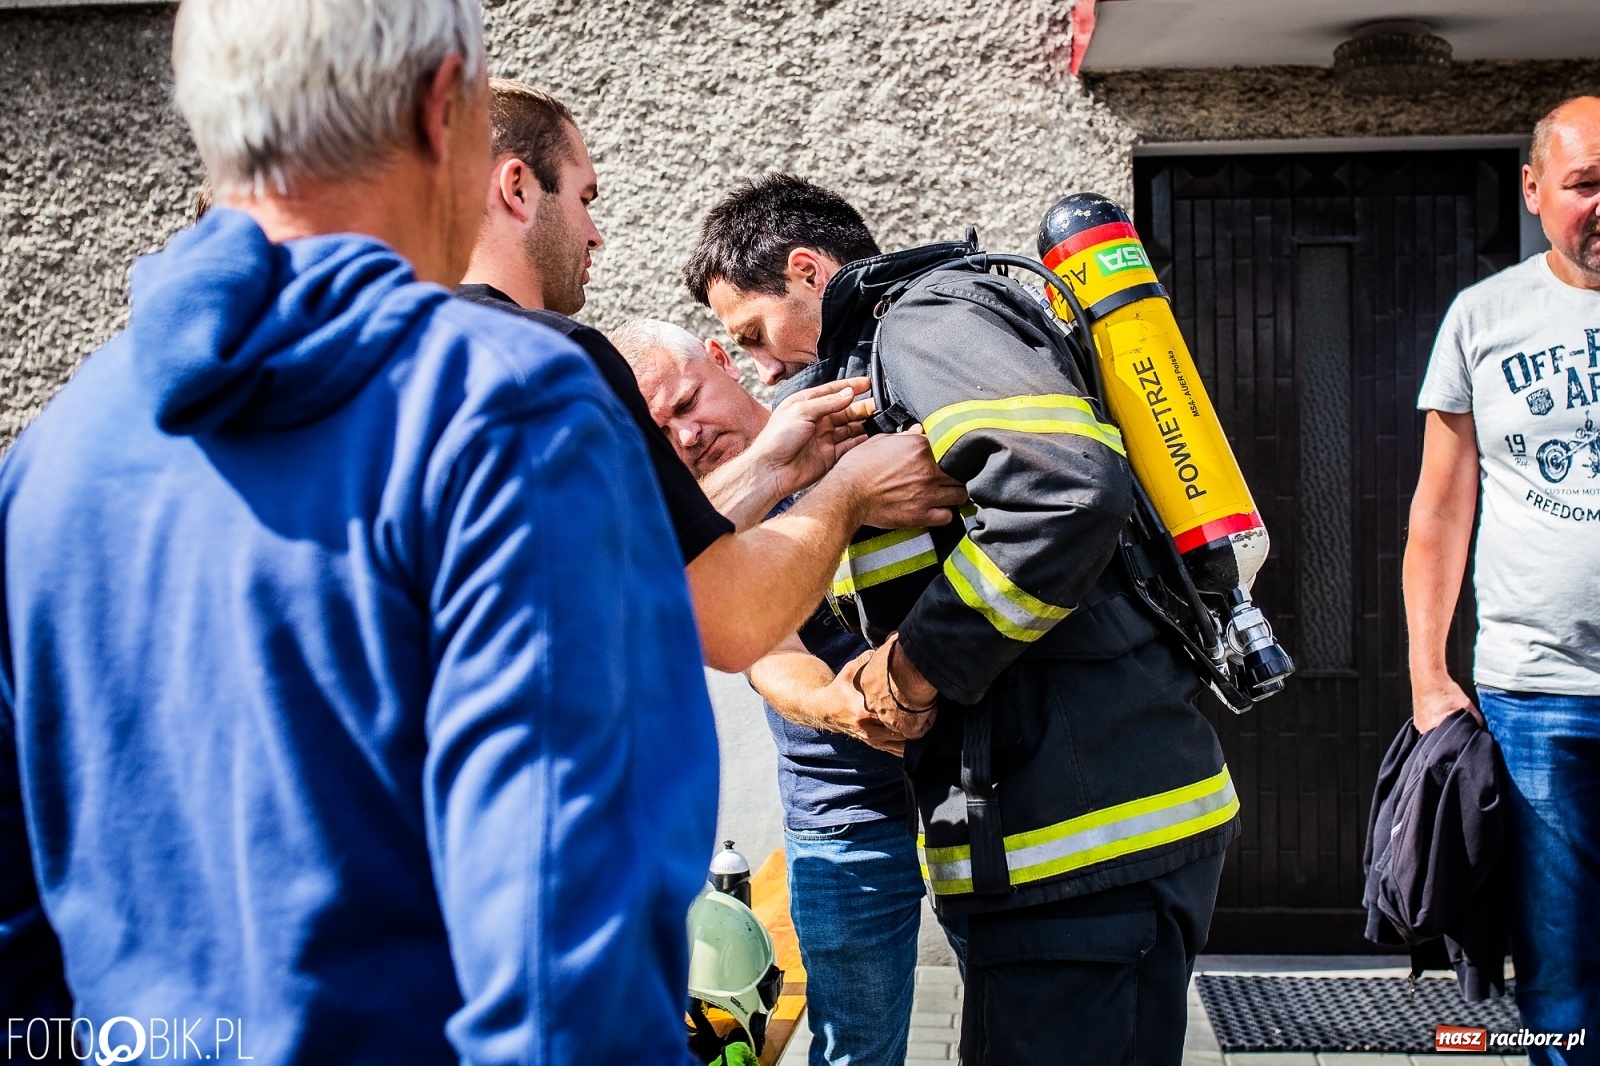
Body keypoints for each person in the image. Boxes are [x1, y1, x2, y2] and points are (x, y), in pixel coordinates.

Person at [0, 2, 713, 1062]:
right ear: (440, 109)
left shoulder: (48, 461)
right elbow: (567, 992)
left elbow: (17, 949)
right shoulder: (509, 413)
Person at [683, 175, 1241, 1066]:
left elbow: (1063, 493)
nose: (762, 367)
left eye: (754, 334)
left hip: (1082, 856)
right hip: (1052, 852)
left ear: (807, 269)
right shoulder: (878, 374)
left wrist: (911, 668)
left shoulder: (922, 319)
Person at [456, 81, 967, 673]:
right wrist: (849, 492)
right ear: (517, 188)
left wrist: (769, 468)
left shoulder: (401, 359)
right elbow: (726, 623)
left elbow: (631, 565)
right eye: (584, 198)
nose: (594, 234)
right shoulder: (550, 358)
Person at [615, 318, 962, 1066]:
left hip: (977, 785)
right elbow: (768, 652)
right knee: (853, 1048)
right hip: (839, 807)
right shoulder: (707, 515)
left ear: (718, 357)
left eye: (684, 405)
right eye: (660, 431)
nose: (683, 436)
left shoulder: (838, 420)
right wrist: (839, 704)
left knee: (1014, 1025)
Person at [1405, 95, 1600, 1064]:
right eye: (1586, 183)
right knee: (1560, 963)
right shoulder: (1484, 317)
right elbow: (1439, 512)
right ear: (1533, 190)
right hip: (1536, 696)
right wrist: (1426, 677)